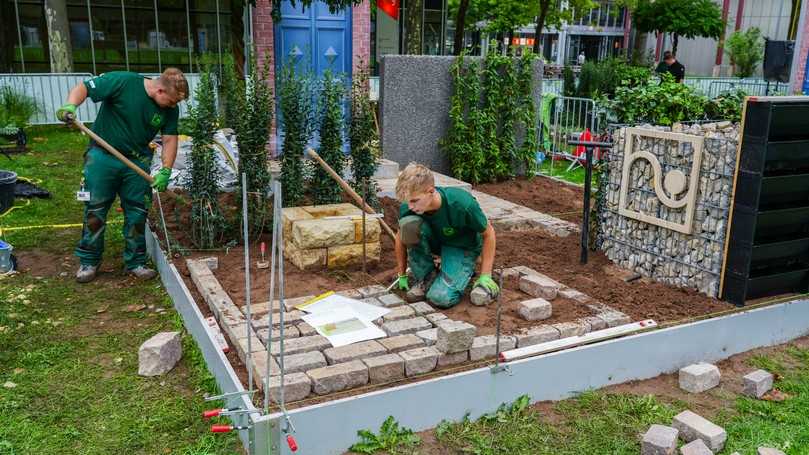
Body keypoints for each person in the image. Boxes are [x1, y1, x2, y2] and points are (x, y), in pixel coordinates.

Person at [56, 68, 188, 283]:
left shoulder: (169, 110)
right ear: (160, 89)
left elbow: (170, 139)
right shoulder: (123, 82)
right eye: (172, 101)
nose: (173, 107)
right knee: (95, 209)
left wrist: (166, 169)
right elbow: (84, 88)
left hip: (137, 161)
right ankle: (89, 260)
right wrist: (70, 105)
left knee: (137, 211)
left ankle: (135, 263)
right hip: (102, 156)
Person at [394, 163, 499, 308]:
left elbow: (489, 233)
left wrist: (486, 275)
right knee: (408, 224)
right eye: (407, 201)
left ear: (430, 191)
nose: (410, 206)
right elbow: (401, 236)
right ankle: (426, 277)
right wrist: (402, 274)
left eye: (414, 201)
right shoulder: (409, 207)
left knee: (439, 298)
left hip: (461, 245)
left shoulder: (461, 204)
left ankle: (464, 272)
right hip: (438, 242)